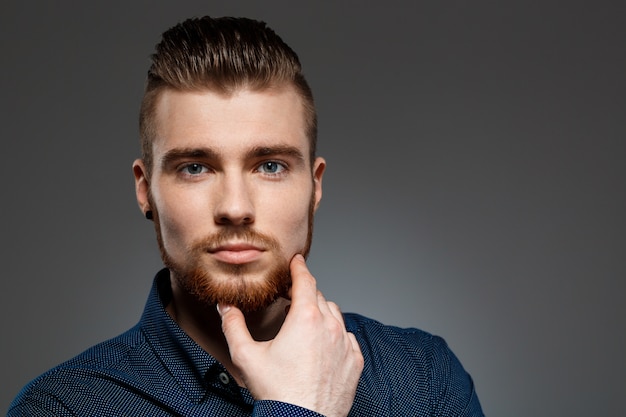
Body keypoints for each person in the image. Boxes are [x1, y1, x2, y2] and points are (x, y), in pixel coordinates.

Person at [8, 16, 484, 417]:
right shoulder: (64, 406)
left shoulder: (423, 380)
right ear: (145, 189)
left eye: (270, 166)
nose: (235, 207)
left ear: (314, 185)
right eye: (195, 167)